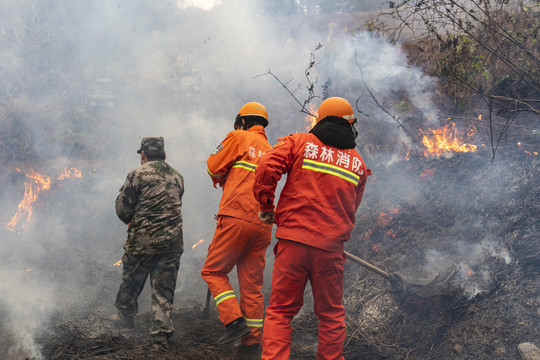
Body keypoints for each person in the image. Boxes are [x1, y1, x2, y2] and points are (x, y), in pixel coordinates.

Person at [253, 97, 371, 360]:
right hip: (330, 251)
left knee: (280, 311)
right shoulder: (358, 164)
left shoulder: (299, 143)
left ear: (320, 120)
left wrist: (266, 207)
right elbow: (353, 207)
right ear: (350, 124)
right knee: (331, 315)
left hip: (293, 244)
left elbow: (266, 167)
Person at [201, 102, 273, 356]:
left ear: (242, 121)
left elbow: (212, 166)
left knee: (213, 272)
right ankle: (251, 346)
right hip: (263, 225)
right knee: (252, 287)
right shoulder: (272, 150)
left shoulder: (238, 136)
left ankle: (233, 321)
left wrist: (221, 178)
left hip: (236, 217)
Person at [114, 136, 184, 351]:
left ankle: (125, 319)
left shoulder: (137, 174)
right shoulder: (177, 176)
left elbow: (123, 209)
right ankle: (160, 338)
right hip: (172, 243)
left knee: (132, 280)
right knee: (163, 288)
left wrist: (132, 220)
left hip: (142, 241)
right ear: (163, 154)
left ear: (144, 154)